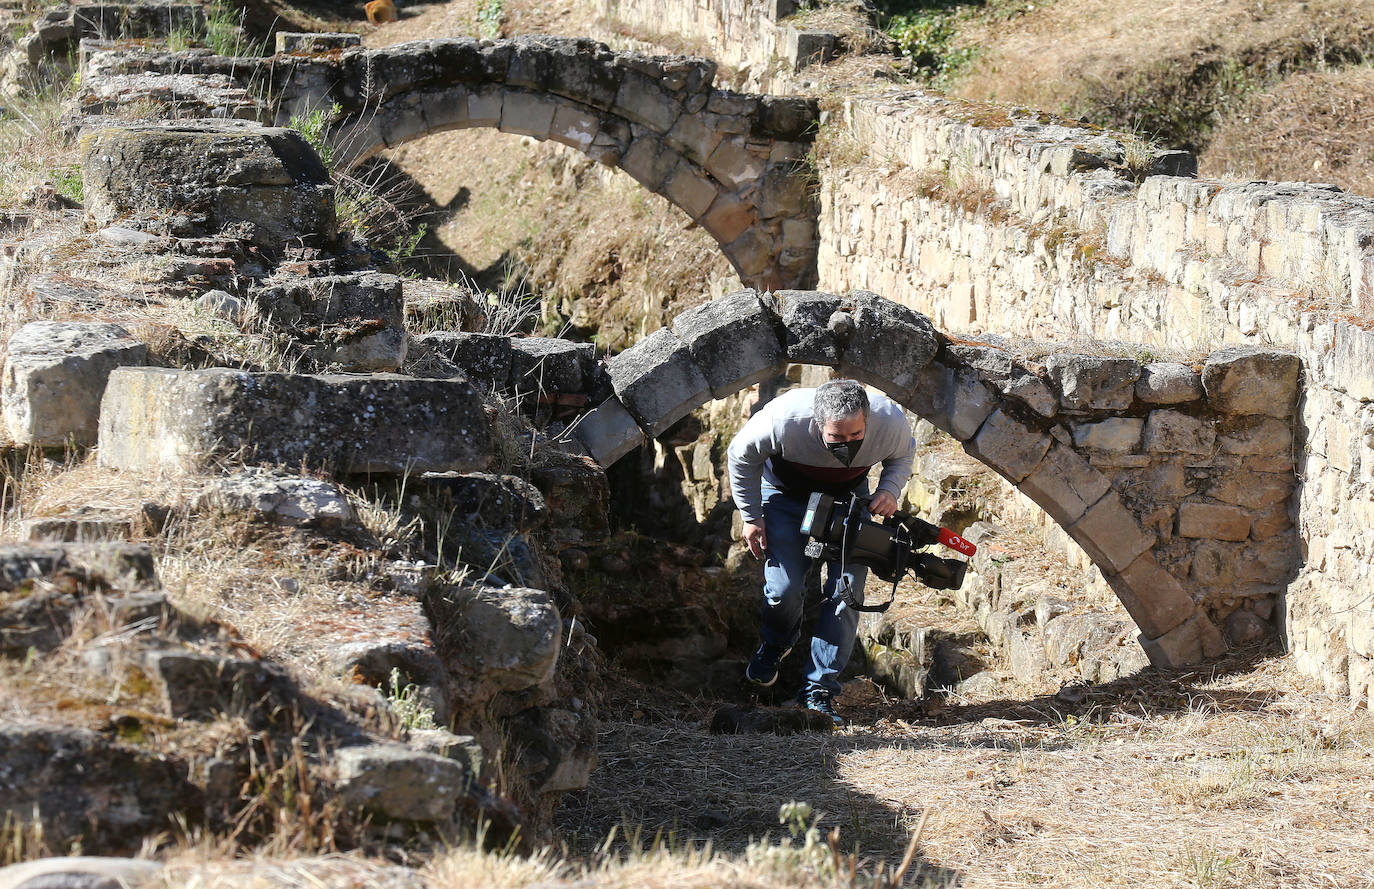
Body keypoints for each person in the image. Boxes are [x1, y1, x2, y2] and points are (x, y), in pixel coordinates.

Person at [727, 379, 915, 726]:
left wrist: (889, 489)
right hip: (785, 495)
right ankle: (776, 643)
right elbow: (741, 458)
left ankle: (818, 690)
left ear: (867, 419)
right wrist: (751, 517)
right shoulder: (783, 420)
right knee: (785, 588)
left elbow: (902, 456)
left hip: (849, 498)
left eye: (856, 435)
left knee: (846, 593)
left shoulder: (889, 421)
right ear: (817, 423)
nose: (847, 445)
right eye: (837, 438)